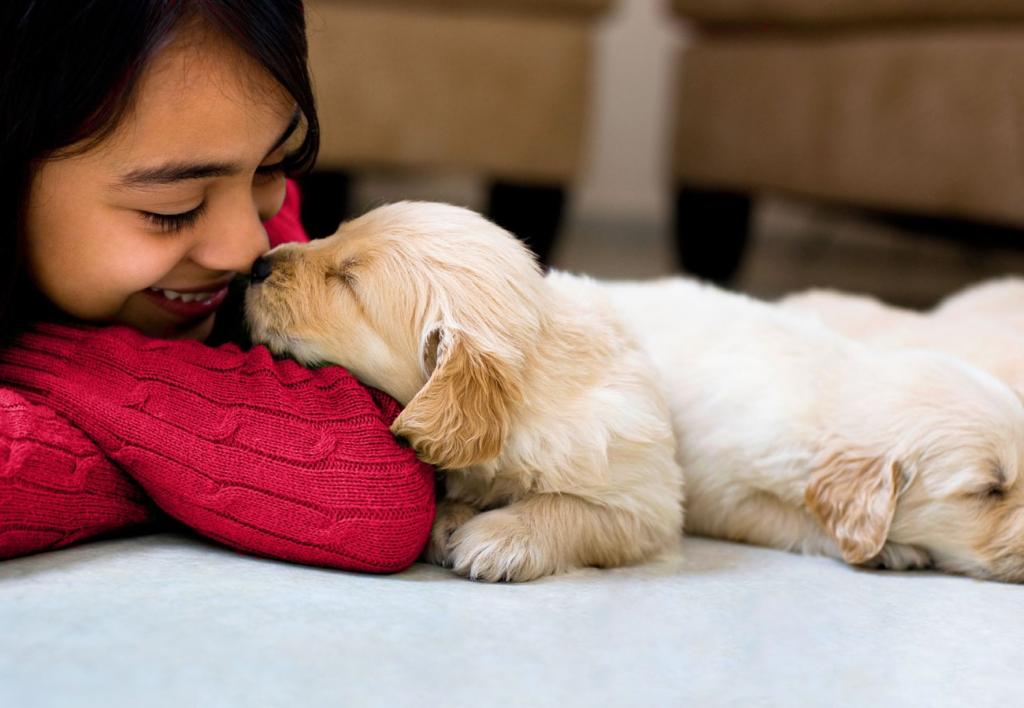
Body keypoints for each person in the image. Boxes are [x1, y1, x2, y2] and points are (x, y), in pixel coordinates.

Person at [0, 1, 435, 572]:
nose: (249, 248)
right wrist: (189, 470)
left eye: (273, 166)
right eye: (173, 208)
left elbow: (372, 490)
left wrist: (44, 355)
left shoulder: (240, 187)